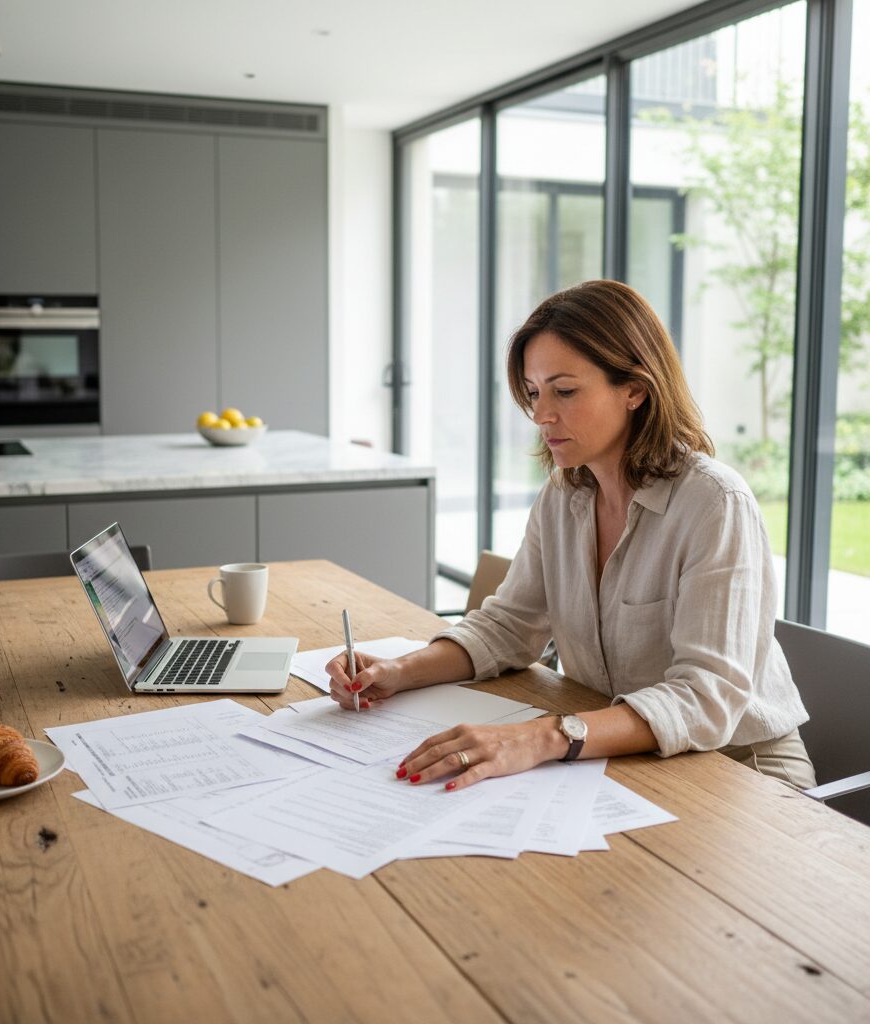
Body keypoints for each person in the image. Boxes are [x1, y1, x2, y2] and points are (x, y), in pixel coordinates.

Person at [327, 279, 814, 792]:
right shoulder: (564, 495)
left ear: (635, 389)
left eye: (564, 391)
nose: (541, 415)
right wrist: (399, 671)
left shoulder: (715, 504)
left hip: (743, 771)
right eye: (534, 393)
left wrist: (542, 737)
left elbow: (705, 698)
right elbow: (509, 627)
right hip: (625, 756)